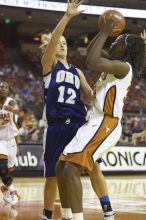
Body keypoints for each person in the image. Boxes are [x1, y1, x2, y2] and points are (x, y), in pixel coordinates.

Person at [56, 15, 146, 220]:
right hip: (94, 121)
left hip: (107, 123)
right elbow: (91, 52)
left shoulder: (124, 67)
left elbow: (91, 60)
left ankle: (77, 218)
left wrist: (106, 30)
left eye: (117, 42)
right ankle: (67, 216)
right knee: (60, 167)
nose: (113, 42)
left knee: (71, 169)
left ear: (124, 50)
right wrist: (102, 30)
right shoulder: (115, 63)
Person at [40, 1, 114, 220]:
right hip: (56, 127)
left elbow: (90, 96)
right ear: (50, 48)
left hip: (79, 126)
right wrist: (67, 17)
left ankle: (107, 209)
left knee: (93, 168)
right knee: (53, 176)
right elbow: (54, 40)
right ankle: (47, 214)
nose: (62, 45)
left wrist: (101, 86)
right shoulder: (48, 66)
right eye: (58, 43)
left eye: (64, 43)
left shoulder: (77, 72)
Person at [0, 81, 20, 205]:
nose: (2, 88)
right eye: (1, 86)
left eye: (5, 87)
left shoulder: (11, 102)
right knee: (2, 167)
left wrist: (17, 141)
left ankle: (5, 189)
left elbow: (16, 114)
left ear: (8, 90)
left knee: (9, 169)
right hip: (0, 140)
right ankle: (13, 191)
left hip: (11, 140)